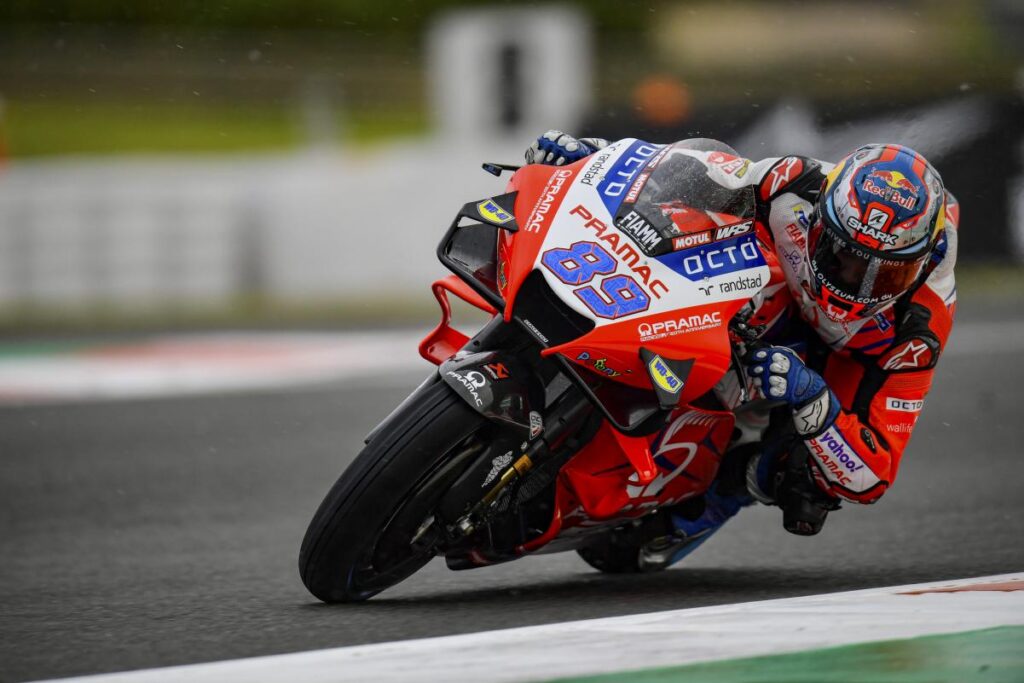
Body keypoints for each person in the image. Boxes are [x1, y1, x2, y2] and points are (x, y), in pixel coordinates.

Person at [525, 131, 958, 567]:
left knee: (808, 480)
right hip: (776, 291)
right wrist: (595, 157)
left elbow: (872, 475)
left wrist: (810, 394)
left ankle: (724, 493)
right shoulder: (795, 183)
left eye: (885, 278)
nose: (856, 285)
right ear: (820, 222)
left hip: (841, 361)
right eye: (843, 257)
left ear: (921, 264)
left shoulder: (919, 326)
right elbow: (692, 171)